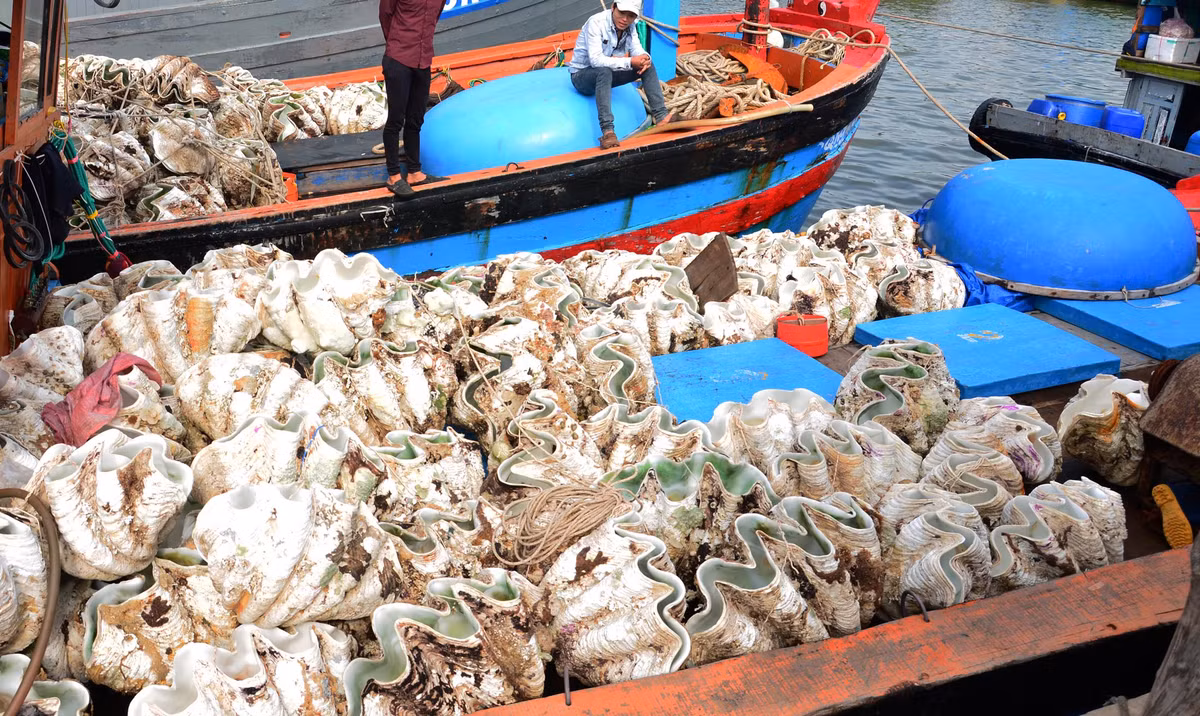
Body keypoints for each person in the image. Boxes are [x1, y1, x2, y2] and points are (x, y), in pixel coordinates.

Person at [568, 0, 676, 150]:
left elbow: (637, 48)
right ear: (613, 7)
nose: (625, 19)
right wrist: (631, 61)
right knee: (604, 72)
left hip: (609, 72)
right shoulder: (596, 22)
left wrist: (644, 59)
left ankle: (662, 117)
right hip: (582, 76)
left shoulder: (630, 26)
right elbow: (596, 61)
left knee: (649, 66)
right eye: (622, 13)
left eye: (631, 16)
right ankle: (608, 132)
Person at [379, 0, 449, 199]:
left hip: (423, 59)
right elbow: (385, 14)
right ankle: (393, 176)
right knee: (395, 120)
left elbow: (433, 17)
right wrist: (397, 44)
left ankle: (414, 173)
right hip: (399, 58)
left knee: (416, 118)